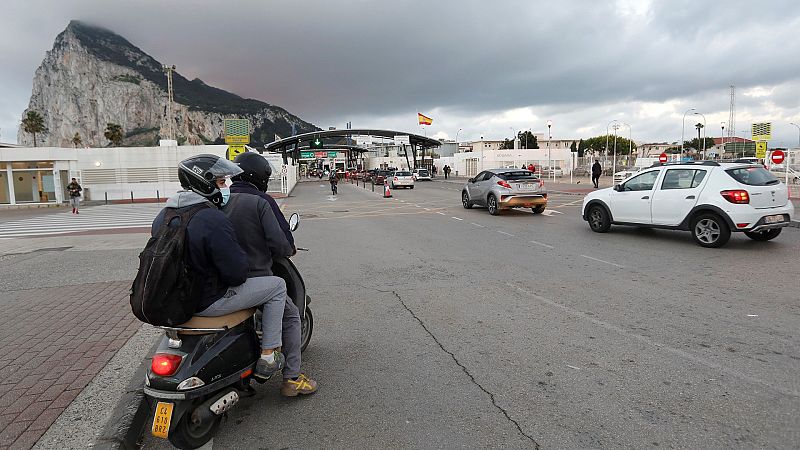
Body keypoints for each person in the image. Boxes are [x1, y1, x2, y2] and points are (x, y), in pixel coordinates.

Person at [151, 154, 287, 380]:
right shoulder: (212, 219)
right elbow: (236, 274)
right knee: (277, 287)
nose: (225, 188)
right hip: (207, 301)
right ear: (204, 182)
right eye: (221, 182)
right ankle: (268, 355)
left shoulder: (163, 216)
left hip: (174, 299)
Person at [226, 152, 317, 396]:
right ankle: (291, 378)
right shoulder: (261, 201)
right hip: (256, 280)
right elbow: (282, 244)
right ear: (260, 176)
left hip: (223, 283)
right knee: (290, 316)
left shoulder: (219, 200)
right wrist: (289, 248)